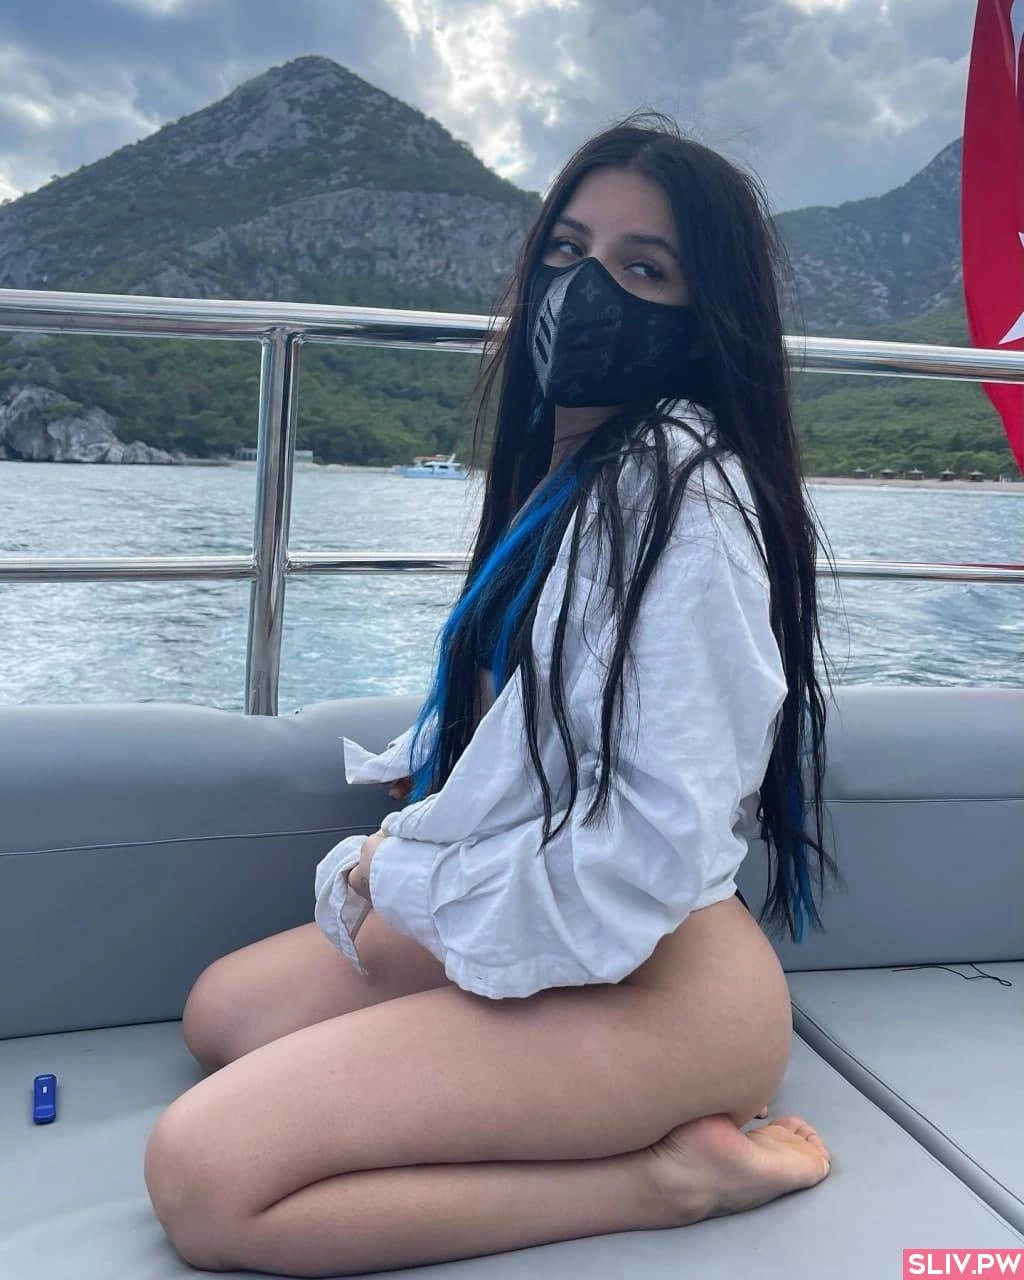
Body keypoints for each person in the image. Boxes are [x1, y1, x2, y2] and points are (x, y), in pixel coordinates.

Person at [148, 113, 838, 1277]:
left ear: (705, 317)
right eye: (567, 252)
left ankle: (668, 1178)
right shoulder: (572, 476)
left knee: (204, 1178)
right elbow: (530, 727)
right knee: (224, 1012)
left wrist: (398, 872)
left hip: (660, 975)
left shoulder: (682, 502)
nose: (586, 290)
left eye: (643, 270)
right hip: (561, 915)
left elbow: (648, 851)